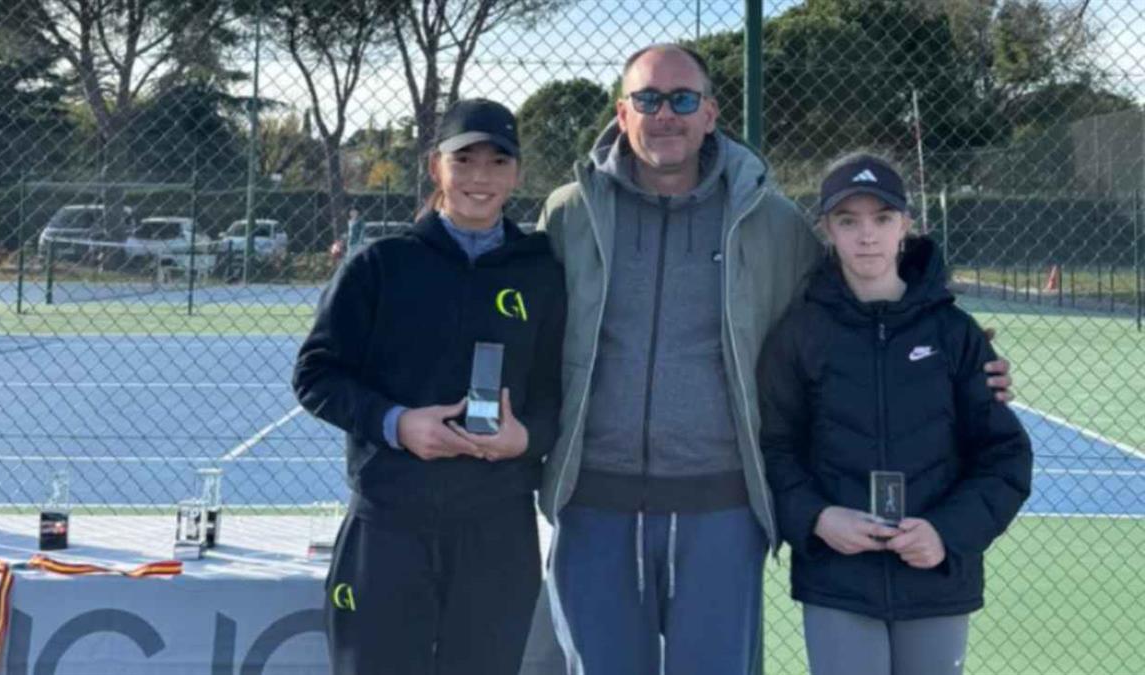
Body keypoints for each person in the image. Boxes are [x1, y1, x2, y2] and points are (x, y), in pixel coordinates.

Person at [536, 44, 1014, 674]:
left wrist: (959, 352)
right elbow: (524, 326)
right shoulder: (569, 212)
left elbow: (858, 302)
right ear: (623, 113)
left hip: (723, 506)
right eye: (648, 99)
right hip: (593, 499)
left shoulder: (772, 220)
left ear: (710, 113)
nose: (665, 115)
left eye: (682, 99)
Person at [293, 98, 565, 675]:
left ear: (516, 173)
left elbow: (561, 394)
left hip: (497, 527)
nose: (480, 177)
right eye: (464, 159)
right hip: (389, 522)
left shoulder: (543, 271)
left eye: (497, 161)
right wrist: (397, 424)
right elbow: (315, 374)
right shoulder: (381, 265)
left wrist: (526, 439)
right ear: (436, 167)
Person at [758, 152, 1033, 675]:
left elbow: (1005, 457)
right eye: (848, 220)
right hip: (838, 580)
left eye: (882, 219)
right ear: (827, 229)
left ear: (905, 225)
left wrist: (945, 535)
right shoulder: (799, 335)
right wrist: (818, 519)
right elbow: (774, 448)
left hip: (935, 577)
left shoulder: (955, 334)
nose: (867, 236)